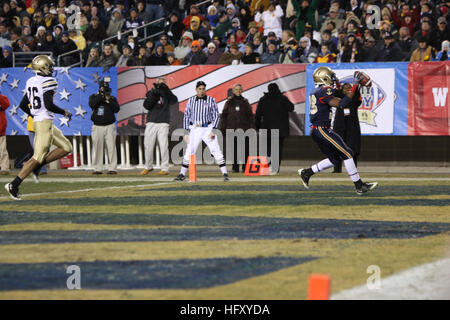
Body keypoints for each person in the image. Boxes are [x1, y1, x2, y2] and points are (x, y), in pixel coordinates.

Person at [298, 66, 378, 195]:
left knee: (335, 159)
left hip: (318, 130)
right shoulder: (324, 90)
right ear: (324, 78)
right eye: (331, 77)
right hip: (322, 130)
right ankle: (359, 186)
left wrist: (352, 86)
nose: (333, 80)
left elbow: (340, 96)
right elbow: (342, 104)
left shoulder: (318, 90)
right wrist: (355, 84)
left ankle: (307, 173)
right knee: (347, 152)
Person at [5, 55, 73, 200]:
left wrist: (34, 114)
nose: (51, 68)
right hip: (44, 122)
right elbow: (48, 105)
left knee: (66, 147)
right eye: (49, 66)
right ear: (43, 67)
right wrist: (64, 112)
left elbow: (23, 104)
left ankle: (35, 167)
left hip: (42, 121)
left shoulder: (31, 81)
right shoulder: (49, 81)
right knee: (37, 157)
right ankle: (14, 184)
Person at [174, 81, 229, 182]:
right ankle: (182, 174)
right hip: (195, 128)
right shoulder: (191, 101)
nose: (202, 91)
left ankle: (225, 173)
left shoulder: (211, 100)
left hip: (208, 128)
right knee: (189, 150)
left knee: (215, 150)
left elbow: (216, 115)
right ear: (196, 90)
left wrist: (214, 130)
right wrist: (186, 132)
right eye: (200, 89)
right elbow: (186, 116)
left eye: (203, 88)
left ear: (205, 89)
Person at [141, 77, 178, 176]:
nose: (160, 86)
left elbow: (174, 100)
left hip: (163, 122)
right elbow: (147, 106)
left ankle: (165, 168)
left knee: (163, 146)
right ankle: (148, 167)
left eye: (163, 84)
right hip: (151, 121)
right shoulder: (151, 93)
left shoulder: (167, 94)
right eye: (159, 84)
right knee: (148, 145)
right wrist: (154, 93)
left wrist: (166, 89)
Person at [255, 83, 294, 174]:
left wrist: (257, 126)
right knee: (278, 149)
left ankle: (266, 167)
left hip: (267, 129)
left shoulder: (263, 100)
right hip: (280, 130)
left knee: (267, 149)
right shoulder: (283, 99)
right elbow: (291, 108)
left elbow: (258, 115)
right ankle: (275, 168)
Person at [219, 83, 255, 173]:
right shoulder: (229, 102)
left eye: (240, 89)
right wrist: (223, 129)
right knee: (234, 150)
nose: (238, 91)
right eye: (236, 89)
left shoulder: (245, 102)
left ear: (242, 91)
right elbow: (224, 116)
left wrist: (252, 128)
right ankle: (235, 168)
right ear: (233, 91)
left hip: (244, 129)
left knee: (245, 150)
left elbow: (250, 116)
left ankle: (245, 167)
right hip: (232, 129)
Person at [88, 77, 120, 175]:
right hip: (97, 126)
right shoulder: (94, 96)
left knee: (111, 147)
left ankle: (113, 168)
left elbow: (116, 109)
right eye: (103, 88)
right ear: (100, 88)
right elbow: (92, 104)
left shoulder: (112, 98)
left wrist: (108, 100)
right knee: (97, 147)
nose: (105, 90)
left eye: (106, 88)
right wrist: (101, 96)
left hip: (109, 126)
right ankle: (98, 168)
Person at [332, 82, 362, 173]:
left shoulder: (355, 99)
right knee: (337, 148)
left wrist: (357, 84)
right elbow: (336, 92)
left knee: (353, 149)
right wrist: (336, 82)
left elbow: (356, 94)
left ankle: (353, 170)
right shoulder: (339, 98)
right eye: (345, 88)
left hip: (352, 128)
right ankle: (337, 170)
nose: (348, 89)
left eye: (349, 88)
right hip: (339, 127)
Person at [0, 92, 10, 175]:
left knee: (2, 150)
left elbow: (6, 105)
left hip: (0, 130)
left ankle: (4, 168)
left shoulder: (3, 98)